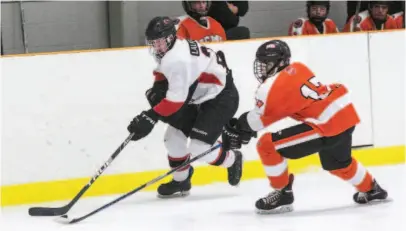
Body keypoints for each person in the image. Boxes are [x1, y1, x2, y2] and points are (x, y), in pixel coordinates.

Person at [221, 39, 388, 213]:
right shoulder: (298, 68)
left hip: (326, 125)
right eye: (261, 63)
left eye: (267, 63)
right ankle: (372, 189)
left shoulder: (271, 86)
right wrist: (242, 128)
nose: (262, 68)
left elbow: (259, 119)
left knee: (267, 145)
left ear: (279, 62)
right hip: (344, 115)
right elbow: (280, 109)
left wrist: (237, 128)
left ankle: (282, 193)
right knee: (338, 164)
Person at [127, 16, 242, 198]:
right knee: (172, 138)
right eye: (153, 43)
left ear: (171, 37)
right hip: (198, 94)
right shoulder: (170, 48)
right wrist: (158, 90)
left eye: (159, 42)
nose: (156, 47)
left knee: (199, 148)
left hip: (220, 96)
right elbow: (164, 73)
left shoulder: (177, 59)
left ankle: (232, 159)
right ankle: (181, 181)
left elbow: (175, 102)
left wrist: (150, 116)